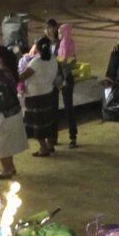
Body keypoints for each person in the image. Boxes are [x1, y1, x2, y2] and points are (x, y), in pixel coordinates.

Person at [0, 45, 26, 179]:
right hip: (14, 111)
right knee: (6, 140)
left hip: (3, 113)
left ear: (0, 59)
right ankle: (10, 166)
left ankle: (7, 169)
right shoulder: (11, 71)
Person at [20, 37, 60, 157]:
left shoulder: (36, 63)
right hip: (48, 93)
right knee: (47, 121)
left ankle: (43, 148)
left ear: (37, 48)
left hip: (35, 96)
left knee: (37, 124)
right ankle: (50, 145)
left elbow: (22, 76)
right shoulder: (53, 59)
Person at [46, 19, 80, 148]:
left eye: (50, 28)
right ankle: (53, 137)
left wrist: (63, 64)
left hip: (65, 77)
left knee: (68, 107)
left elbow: (73, 59)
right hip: (54, 79)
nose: (48, 31)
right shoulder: (45, 44)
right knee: (52, 108)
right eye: (47, 28)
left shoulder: (65, 42)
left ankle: (73, 137)